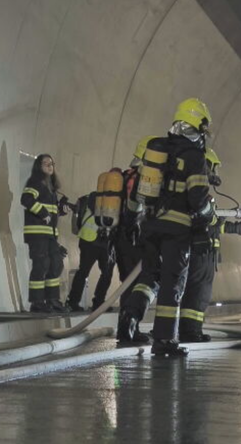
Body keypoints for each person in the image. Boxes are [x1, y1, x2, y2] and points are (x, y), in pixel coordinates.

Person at [118, 99, 214, 356]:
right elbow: (198, 199)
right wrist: (207, 217)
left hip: (149, 225)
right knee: (173, 282)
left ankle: (131, 313)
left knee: (151, 277)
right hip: (177, 229)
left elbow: (138, 193)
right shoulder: (194, 156)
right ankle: (164, 341)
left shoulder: (156, 150)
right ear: (198, 126)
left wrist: (131, 220)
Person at [178, 148, 241, 343]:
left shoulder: (195, 193)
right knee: (198, 292)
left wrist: (238, 228)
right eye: (213, 169)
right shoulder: (197, 195)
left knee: (196, 291)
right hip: (200, 250)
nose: (214, 175)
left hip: (203, 250)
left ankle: (191, 329)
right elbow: (207, 222)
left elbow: (215, 226)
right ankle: (190, 332)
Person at [114, 137, 156, 344]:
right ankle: (128, 328)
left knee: (128, 282)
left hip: (122, 236)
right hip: (135, 235)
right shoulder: (141, 178)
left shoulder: (125, 175)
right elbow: (138, 206)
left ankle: (126, 327)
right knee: (139, 282)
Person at [20, 154, 68, 313]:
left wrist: (60, 211)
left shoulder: (51, 188)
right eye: (45, 163)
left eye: (51, 163)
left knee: (56, 263)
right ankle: (37, 302)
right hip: (37, 233)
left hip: (50, 235)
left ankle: (52, 299)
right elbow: (26, 199)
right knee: (41, 265)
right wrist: (42, 212)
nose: (49, 166)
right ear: (38, 167)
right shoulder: (35, 182)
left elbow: (51, 212)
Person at [64, 190, 115, 312]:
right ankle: (97, 302)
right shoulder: (110, 200)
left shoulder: (89, 198)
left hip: (91, 241)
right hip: (99, 242)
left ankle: (74, 302)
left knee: (85, 272)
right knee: (104, 273)